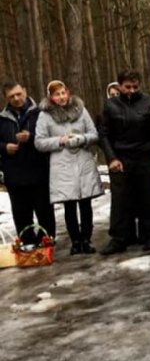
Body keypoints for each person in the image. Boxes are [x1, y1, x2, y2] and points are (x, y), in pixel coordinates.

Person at [98, 69, 150, 254]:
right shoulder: (110, 105)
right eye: (127, 87)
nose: (131, 90)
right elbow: (103, 134)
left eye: (135, 86)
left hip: (147, 158)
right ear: (119, 86)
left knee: (149, 199)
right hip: (121, 159)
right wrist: (111, 158)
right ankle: (120, 238)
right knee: (120, 201)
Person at [34, 80, 103, 255]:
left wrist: (81, 139)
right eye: (57, 94)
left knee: (85, 202)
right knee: (69, 205)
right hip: (62, 164)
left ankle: (87, 239)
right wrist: (59, 141)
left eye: (63, 93)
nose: (61, 97)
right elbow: (39, 142)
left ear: (68, 92)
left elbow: (94, 134)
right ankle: (75, 241)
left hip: (83, 160)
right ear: (51, 97)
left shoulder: (80, 109)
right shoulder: (45, 115)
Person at [0, 80, 55, 244]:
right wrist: (4, 147)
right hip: (14, 175)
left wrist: (31, 138)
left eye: (19, 94)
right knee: (21, 213)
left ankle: (47, 241)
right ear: (6, 98)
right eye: (11, 96)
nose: (16, 98)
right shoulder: (2, 119)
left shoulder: (40, 113)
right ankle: (27, 244)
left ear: (24, 91)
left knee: (44, 210)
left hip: (39, 170)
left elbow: (51, 136)